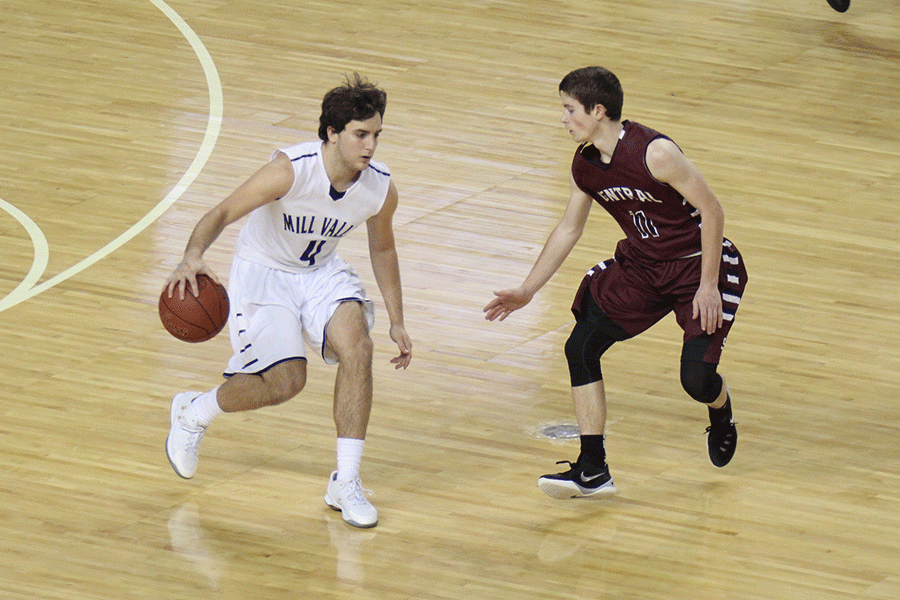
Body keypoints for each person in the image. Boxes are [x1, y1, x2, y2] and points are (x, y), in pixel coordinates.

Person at [484, 66, 747, 500]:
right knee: (580, 347)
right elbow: (569, 228)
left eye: (570, 110)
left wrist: (707, 286)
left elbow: (713, 212)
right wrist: (528, 289)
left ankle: (720, 413)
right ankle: (593, 469)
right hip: (642, 270)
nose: (564, 119)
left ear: (598, 111)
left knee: (696, 381)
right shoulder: (584, 165)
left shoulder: (656, 153)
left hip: (696, 267)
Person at [163, 74, 412, 528]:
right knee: (286, 383)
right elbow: (220, 212)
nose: (371, 146)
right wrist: (192, 256)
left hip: (320, 273)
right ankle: (194, 412)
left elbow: (383, 248)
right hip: (265, 274)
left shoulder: (378, 187)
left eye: (376, 134)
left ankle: (347, 481)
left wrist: (396, 319)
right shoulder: (290, 170)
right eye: (361, 134)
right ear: (332, 134)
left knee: (359, 348)